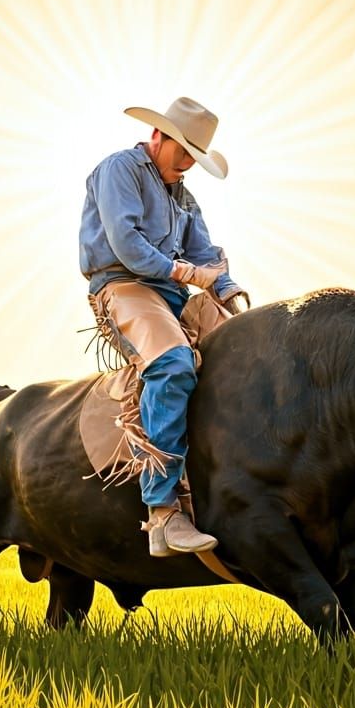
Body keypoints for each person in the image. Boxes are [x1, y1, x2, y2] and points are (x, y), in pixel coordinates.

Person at [79, 97, 249, 557]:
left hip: (174, 296)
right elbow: (129, 246)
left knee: (250, 348)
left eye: (197, 154)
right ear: (159, 135)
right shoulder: (119, 170)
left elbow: (205, 253)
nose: (189, 162)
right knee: (173, 365)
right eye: (185, 150)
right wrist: (192, 277)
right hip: (124, 287)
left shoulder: (183, 195)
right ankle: (162, 513)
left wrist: (232, 295)